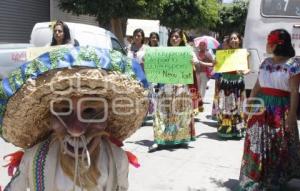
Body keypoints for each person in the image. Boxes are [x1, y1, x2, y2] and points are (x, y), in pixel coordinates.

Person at [1, 46, 149, 190]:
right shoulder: (34, 159)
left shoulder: (117, 159)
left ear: (107, 116)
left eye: (90, 111)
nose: (76, 130)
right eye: (64, 110)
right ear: (50, 117)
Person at [239, 29, 300, 190]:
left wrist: (292, 115)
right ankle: (256, 177)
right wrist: (249, 106)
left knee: (277, 144)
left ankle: (274, 179)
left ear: (276, 45)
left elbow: (294, 91)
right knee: (257, 142)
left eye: (268, 42)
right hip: (261, 107)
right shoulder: (265, 63)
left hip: (281, 109)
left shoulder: (293, 64)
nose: (266, 45)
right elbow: (257, 86)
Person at [149, 28, 197, 152]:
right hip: (165, 87)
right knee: (161, 113)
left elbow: (195, 64)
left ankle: (180, 139)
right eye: (172, 37)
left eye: (177, 37)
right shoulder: (163, 52)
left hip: (181, 88)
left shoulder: (187, 51)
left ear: (181, 39)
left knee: (180, 114)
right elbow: (152, 62)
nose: (174, 39)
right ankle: (159, 140)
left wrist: (192, 63)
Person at [215, 32, 246, 138]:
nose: (233, 40)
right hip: (225, 83)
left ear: (239, 40)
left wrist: (242, 72)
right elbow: (215, 66)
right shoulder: (223, 54)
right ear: (229, 41)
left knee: (238, 106)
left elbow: (248, 69)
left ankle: (238, 130)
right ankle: (225, 130)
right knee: (225, 106)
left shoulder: (244, 54)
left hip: (238, 83)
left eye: (235, 38)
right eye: (231, 38)